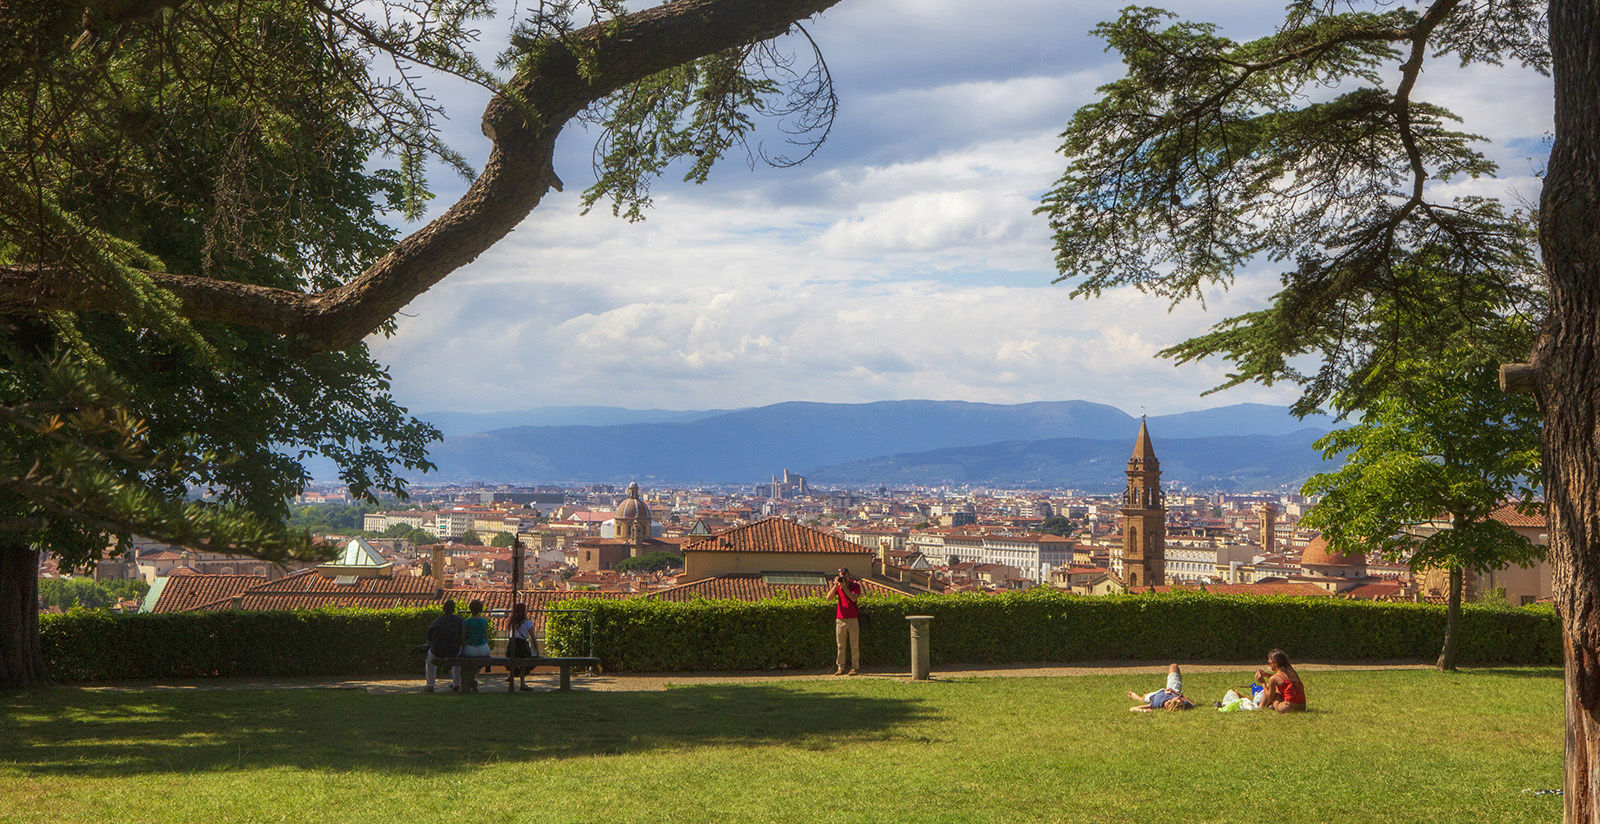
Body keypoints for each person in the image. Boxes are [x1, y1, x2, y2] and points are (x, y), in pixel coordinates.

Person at [825, 567, 862, 676]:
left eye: (844, 575)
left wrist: (845, 587)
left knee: (854, 645)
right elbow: (828, 597)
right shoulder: (838, 587)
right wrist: (836, 586)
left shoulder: (855, 586)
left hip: (852, 619)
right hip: (840, 619)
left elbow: (853, 598)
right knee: (841, 645)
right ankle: (840, 667)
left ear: (849, 576)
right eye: (841, 575)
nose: (843, 578)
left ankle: (855, 667)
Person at [424, 599, 464, 694]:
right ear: (453, 610)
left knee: (429, 662)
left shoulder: (437, 622)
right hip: (454, 651)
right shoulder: (459, 621)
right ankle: (457, 683)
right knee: (458, 661)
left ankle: (430, 685)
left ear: (443, 609)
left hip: (438, 651)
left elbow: (429, 637)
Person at [1254, 649, 1307, 713]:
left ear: (1275, 663)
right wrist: (1267, 675)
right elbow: (1281, 680)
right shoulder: (1292, 674)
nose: (1268, 662)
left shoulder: (1274, 678)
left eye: (1269, 662)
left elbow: (1269, 697)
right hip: (1302, 706)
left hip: (1287, 707)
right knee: (1274, 687)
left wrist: (1262, 683)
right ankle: (1263, 706)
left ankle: (1261, 707)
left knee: (1269, 686)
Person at [1127, 663, 1196, 712]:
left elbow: (1132, 708)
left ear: (1170, 702)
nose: (1181, 699)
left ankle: (1137, 698)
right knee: (1173, 666)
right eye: (1181, 699)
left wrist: (1144, 711)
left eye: (1179, 699)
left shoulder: (1157, 703)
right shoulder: (1181, 701)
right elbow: (1193, 705)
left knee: (1144, 697)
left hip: (1154, 695)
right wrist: (1176, 693)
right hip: (1172, 690)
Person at [459, 599, 493, 692]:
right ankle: (473, 679)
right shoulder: (484, 621)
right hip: (483, 649)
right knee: (478, 664)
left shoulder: (466, 621)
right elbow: (486, 637)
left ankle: (470, 680)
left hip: (470, 649)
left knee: (467, 665)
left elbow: (463, 638)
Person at [504, 602, 537, 692]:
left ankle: (511, 675)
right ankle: (522, 683)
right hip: (522, 646)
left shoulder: (511, 622)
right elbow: (533, 638)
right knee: (524, 663)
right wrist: (537, 651)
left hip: (512, 645)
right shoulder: (528, 623)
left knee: (513, 659)